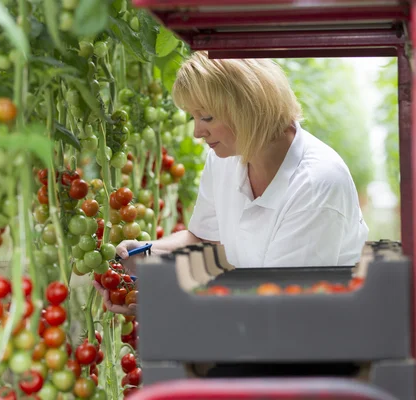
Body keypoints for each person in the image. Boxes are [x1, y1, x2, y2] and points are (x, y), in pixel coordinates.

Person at [93, 51, 369, 315]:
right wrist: (145, 256)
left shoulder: (316, 183)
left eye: (207, 117)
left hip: (310, 345)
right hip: (257, 328)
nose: (197, 131)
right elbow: (205, 239)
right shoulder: (226, 155)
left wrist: (163, 301)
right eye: (194, 117)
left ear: (247, 108)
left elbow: (281, 305)